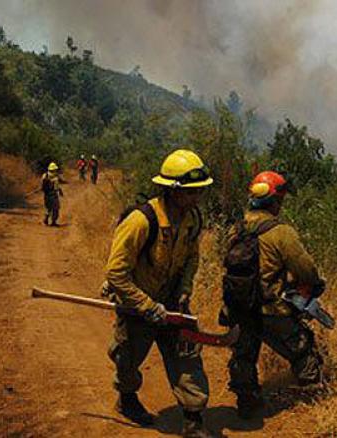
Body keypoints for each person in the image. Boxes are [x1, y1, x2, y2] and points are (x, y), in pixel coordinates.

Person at [104, 149, 214, 437]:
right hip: (137, 305)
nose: (197, 197)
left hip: (172, 305)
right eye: (192, 192)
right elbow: (115, 272)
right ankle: (127, 400)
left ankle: (193, 421)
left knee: (187, 360)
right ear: (172, 190)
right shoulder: (141, 221)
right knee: (127, 360)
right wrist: (146, 305)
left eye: (200, 191)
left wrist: (185, 289)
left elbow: (192, 256)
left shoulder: (193, 219)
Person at [220, 170, 325, 419]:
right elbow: (306, 270)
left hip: (240, 307)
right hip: (271, 310)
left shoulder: (237, 228)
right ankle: (311, 396)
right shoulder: (281, 233)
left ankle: (247, 401)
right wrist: (312, 286)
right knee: (303, 347)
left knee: (243, 355)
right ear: (275, 201)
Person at [41, 162, 64, 226]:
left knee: (48, 208)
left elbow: (42, 185)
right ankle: (53, 222)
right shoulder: (55, 178)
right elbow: (56, 188)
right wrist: (60, 191)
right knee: (56, 208)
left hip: (46, 195)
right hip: (53, 195)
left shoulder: (44, 175)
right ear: (54, 170)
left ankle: (46, 219)